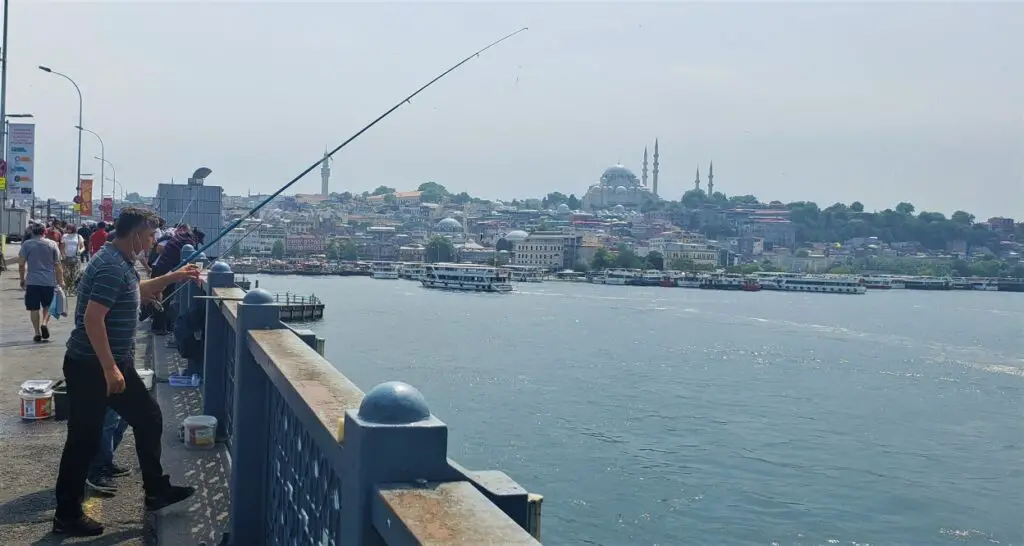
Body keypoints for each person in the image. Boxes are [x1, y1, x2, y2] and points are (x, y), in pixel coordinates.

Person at [53, 207, 201, 537]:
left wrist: (174, 277)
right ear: (134, 234)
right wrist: (109, 369)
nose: (152, 243)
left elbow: (136, 290)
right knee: (83, 440)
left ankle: (156, 490)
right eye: (149, 236)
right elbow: (93, 319)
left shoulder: (118, 262)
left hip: (112, 363)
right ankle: (67, 514)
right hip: (93, 366)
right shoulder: (110, 267)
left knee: (148, 417)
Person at [18, 224, 65, 342]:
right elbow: (58, 265)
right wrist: (61, 281)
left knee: (33, 308)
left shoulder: (27, 244)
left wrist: (22, 279)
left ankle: (37, 332)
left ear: (33, 232)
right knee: (47, 306)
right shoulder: (52, 244)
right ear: (45, 232)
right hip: (49, 281)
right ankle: (44, 323)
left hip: (32, 281)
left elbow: (21, 264)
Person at [60, 225, 85, 292]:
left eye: (69, 229)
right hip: (66, 258)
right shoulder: (64, 236)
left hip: (76, 258)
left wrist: (80, 251)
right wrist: (63, 255)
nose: (67, 230)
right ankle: (67, 288)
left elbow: (83, 247)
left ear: (73, 229)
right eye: (67, 229)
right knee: (66, 274)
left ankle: (73, 290)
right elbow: (62, 247)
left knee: (75, 274)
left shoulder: (78, 236)